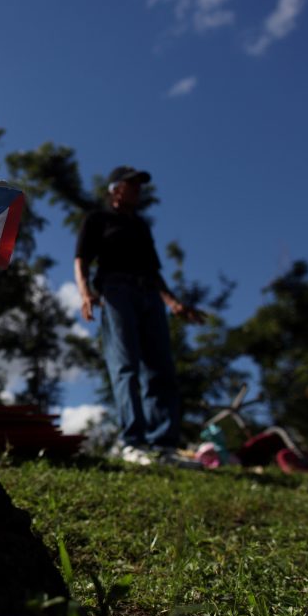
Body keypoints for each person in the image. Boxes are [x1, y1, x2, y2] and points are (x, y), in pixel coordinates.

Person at [74, 165, 205, 464]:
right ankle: (133, 443)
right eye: (132, 185)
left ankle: (164, 445)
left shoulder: (141, 226)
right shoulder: (98, 219)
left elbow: (153, 270)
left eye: (139, 186)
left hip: (149, 294)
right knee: (126, 365)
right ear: (115, 189)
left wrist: (172, 302)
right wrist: (85, 293)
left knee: (161, 368)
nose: (138, 191)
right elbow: (81, 258)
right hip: (116, 290)